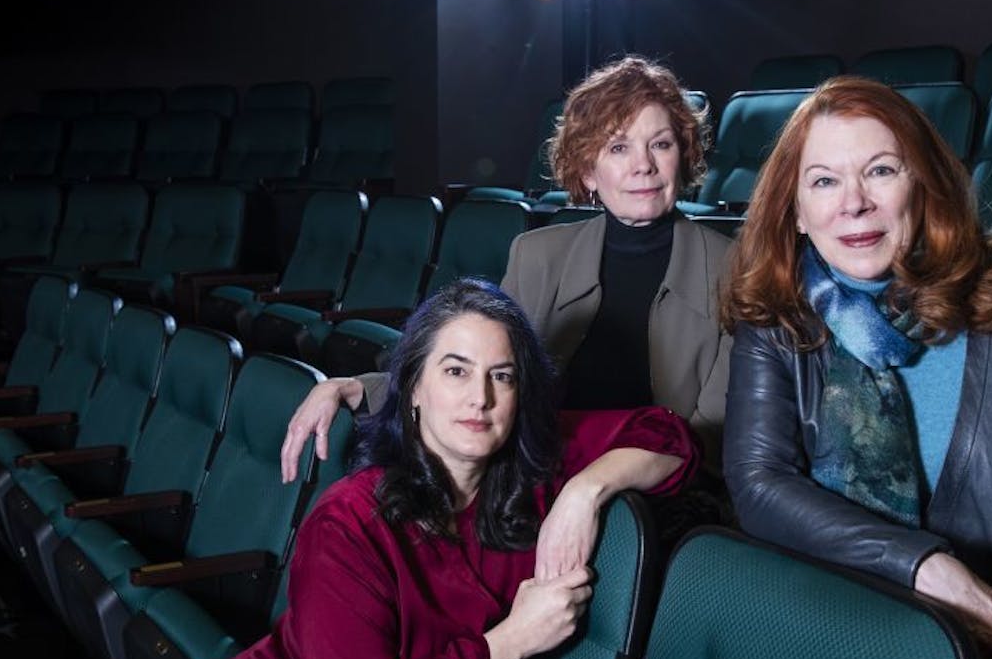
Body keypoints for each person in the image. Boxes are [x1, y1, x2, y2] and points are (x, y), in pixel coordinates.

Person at [720, 75, 992, 659]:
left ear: (923, 181)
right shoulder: (774, 317)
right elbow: (760, 484)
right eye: (824, 181)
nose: (854, 203)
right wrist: (926, 568)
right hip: (865, 614)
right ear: (795, 212)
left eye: (881, 171)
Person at [158, 279, 697, 659]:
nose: (479, 399)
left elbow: (669, 440)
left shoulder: (536, 476)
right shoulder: (348, 523)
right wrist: (513, 639)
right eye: (456, 371)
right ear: (414, 388)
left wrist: (585, 490)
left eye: (502, 376)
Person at [281, 55, 732, 484]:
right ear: (589, 172)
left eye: (661, 144)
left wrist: (592, 489)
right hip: (536, 479)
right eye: (618, 147)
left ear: (683, 155)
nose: (643, 165)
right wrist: (352, 388)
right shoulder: (538, 254)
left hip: (657, 503)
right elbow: (480, 376)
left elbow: (709, 442)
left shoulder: (736, 270)